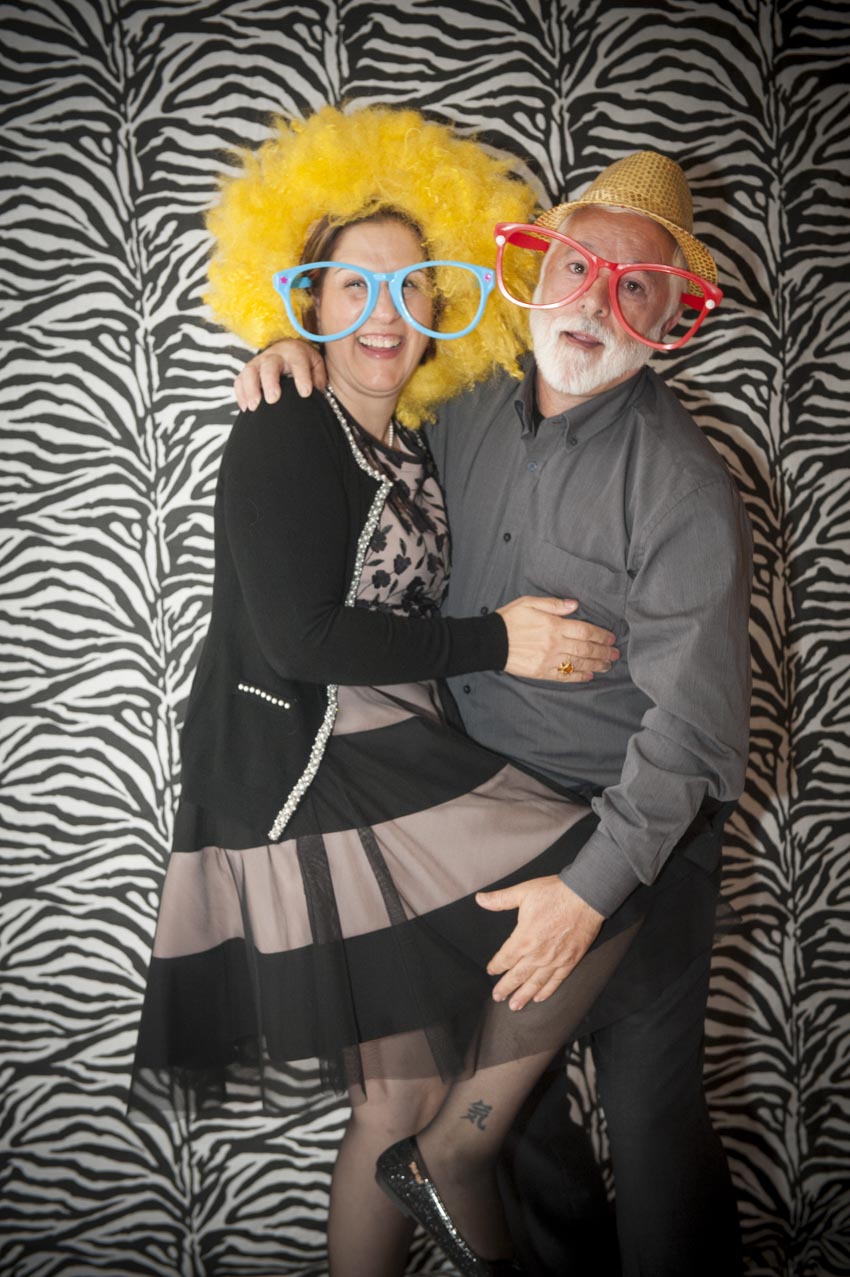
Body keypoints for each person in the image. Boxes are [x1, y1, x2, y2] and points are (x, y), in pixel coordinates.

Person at [129, 106, 689, 1277]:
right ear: (309, 301)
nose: (382, 313)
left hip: (396, 757)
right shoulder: (288, 422)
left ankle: (452, 1152)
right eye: (353, 287)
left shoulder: (420, 433)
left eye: (408, 285)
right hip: (319, 770)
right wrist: (500, 642)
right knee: (592, 880)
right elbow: (299, 638)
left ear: (443, 302)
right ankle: (461, 1153)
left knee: (400, 1094)